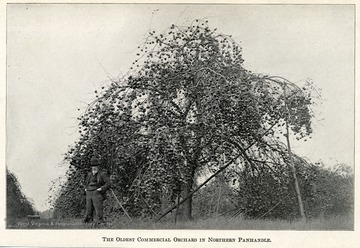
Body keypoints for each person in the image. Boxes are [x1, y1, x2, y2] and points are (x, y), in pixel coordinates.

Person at [83, 157, 110, 225]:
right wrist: (86, 189)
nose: (94, 168)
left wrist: (101, 188)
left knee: (98, 208)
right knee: (89, 208)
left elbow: (108, 183)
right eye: (92, 166)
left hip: (97, 192)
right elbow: (86, 183)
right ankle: (88, 222)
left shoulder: (102, 174)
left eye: (95, 166)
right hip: (89, 192)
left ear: (98, 166)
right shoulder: (89, 174)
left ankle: (99, 222)